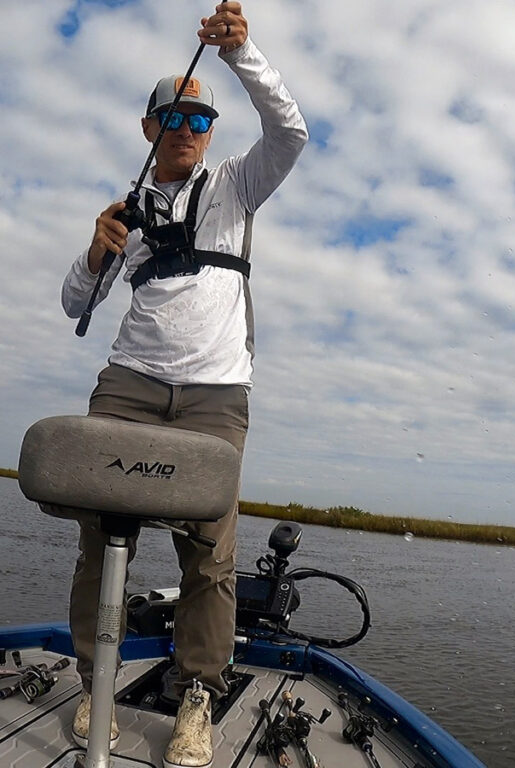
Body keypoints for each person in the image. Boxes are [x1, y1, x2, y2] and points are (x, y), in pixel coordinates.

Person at [60, 4, 307, 767]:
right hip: (129, 384)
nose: (188, 126)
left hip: (215, 396)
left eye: (199, 115)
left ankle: (198, 692)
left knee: (211, 552)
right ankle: (90, 679)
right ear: (149, 128)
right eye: (173, 115)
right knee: (99, 541)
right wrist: (95, 255)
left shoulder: (235, 185)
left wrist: (241, 53)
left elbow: (290, 131)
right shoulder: (124, 214)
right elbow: (76, 304)